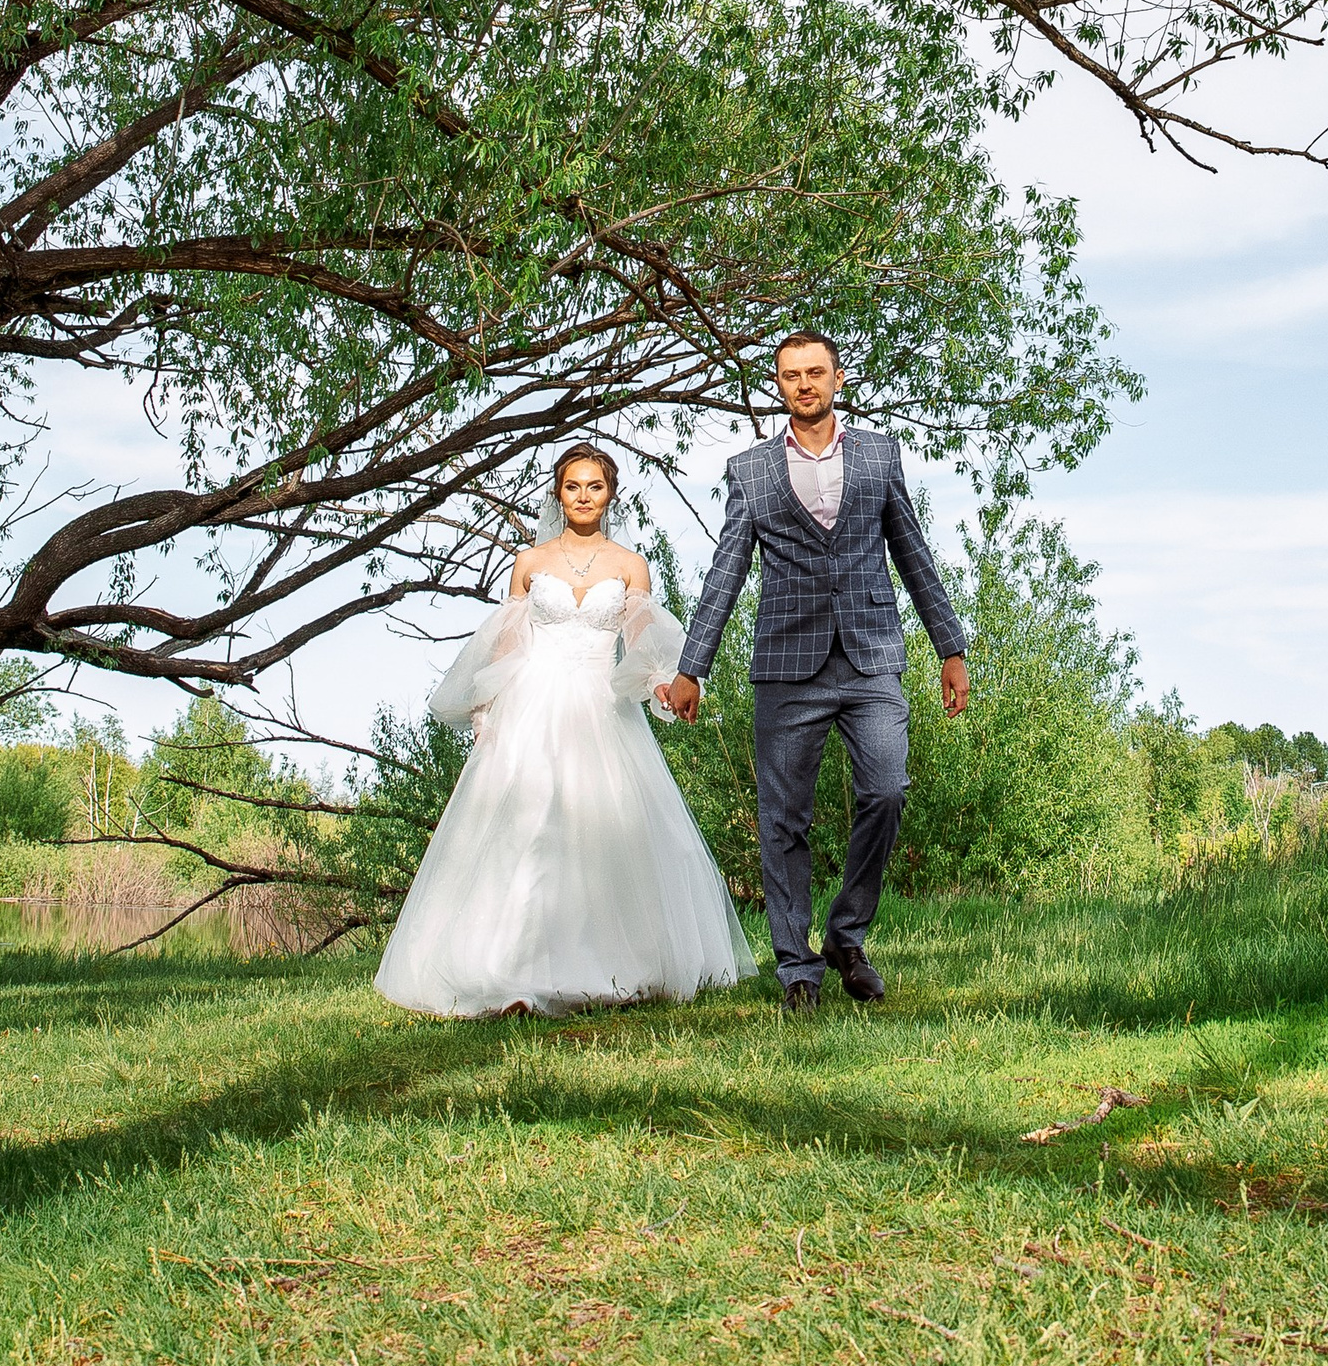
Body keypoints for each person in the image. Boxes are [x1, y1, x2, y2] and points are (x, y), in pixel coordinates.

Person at [374, 442, 755, 1018]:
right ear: (558, 492)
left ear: (610, 494)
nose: (583, 496)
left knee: (610, 828)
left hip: (603, 706)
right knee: (528, 831)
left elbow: (642, 642)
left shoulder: (629, 565)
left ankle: (619, 966)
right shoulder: (529, 562)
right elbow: (507, 644)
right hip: (534, 702)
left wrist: (663, 687)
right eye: (573, 486)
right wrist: (489, 707)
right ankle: (512, 975)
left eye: (594, 486)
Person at [659, 332, 968, 1010]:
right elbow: (725, 572)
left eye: (816, 372)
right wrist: (692, 668)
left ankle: (846, 934)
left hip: (871, 655)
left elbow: (913, 552)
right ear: (779, 385)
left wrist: (951, 646)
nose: (805, 384)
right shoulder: (751, 470)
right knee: (783, 820)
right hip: (787, 664)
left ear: (837, 378)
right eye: (792, 375)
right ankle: (797, 967)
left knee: (887, 788)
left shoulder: (880, 455)